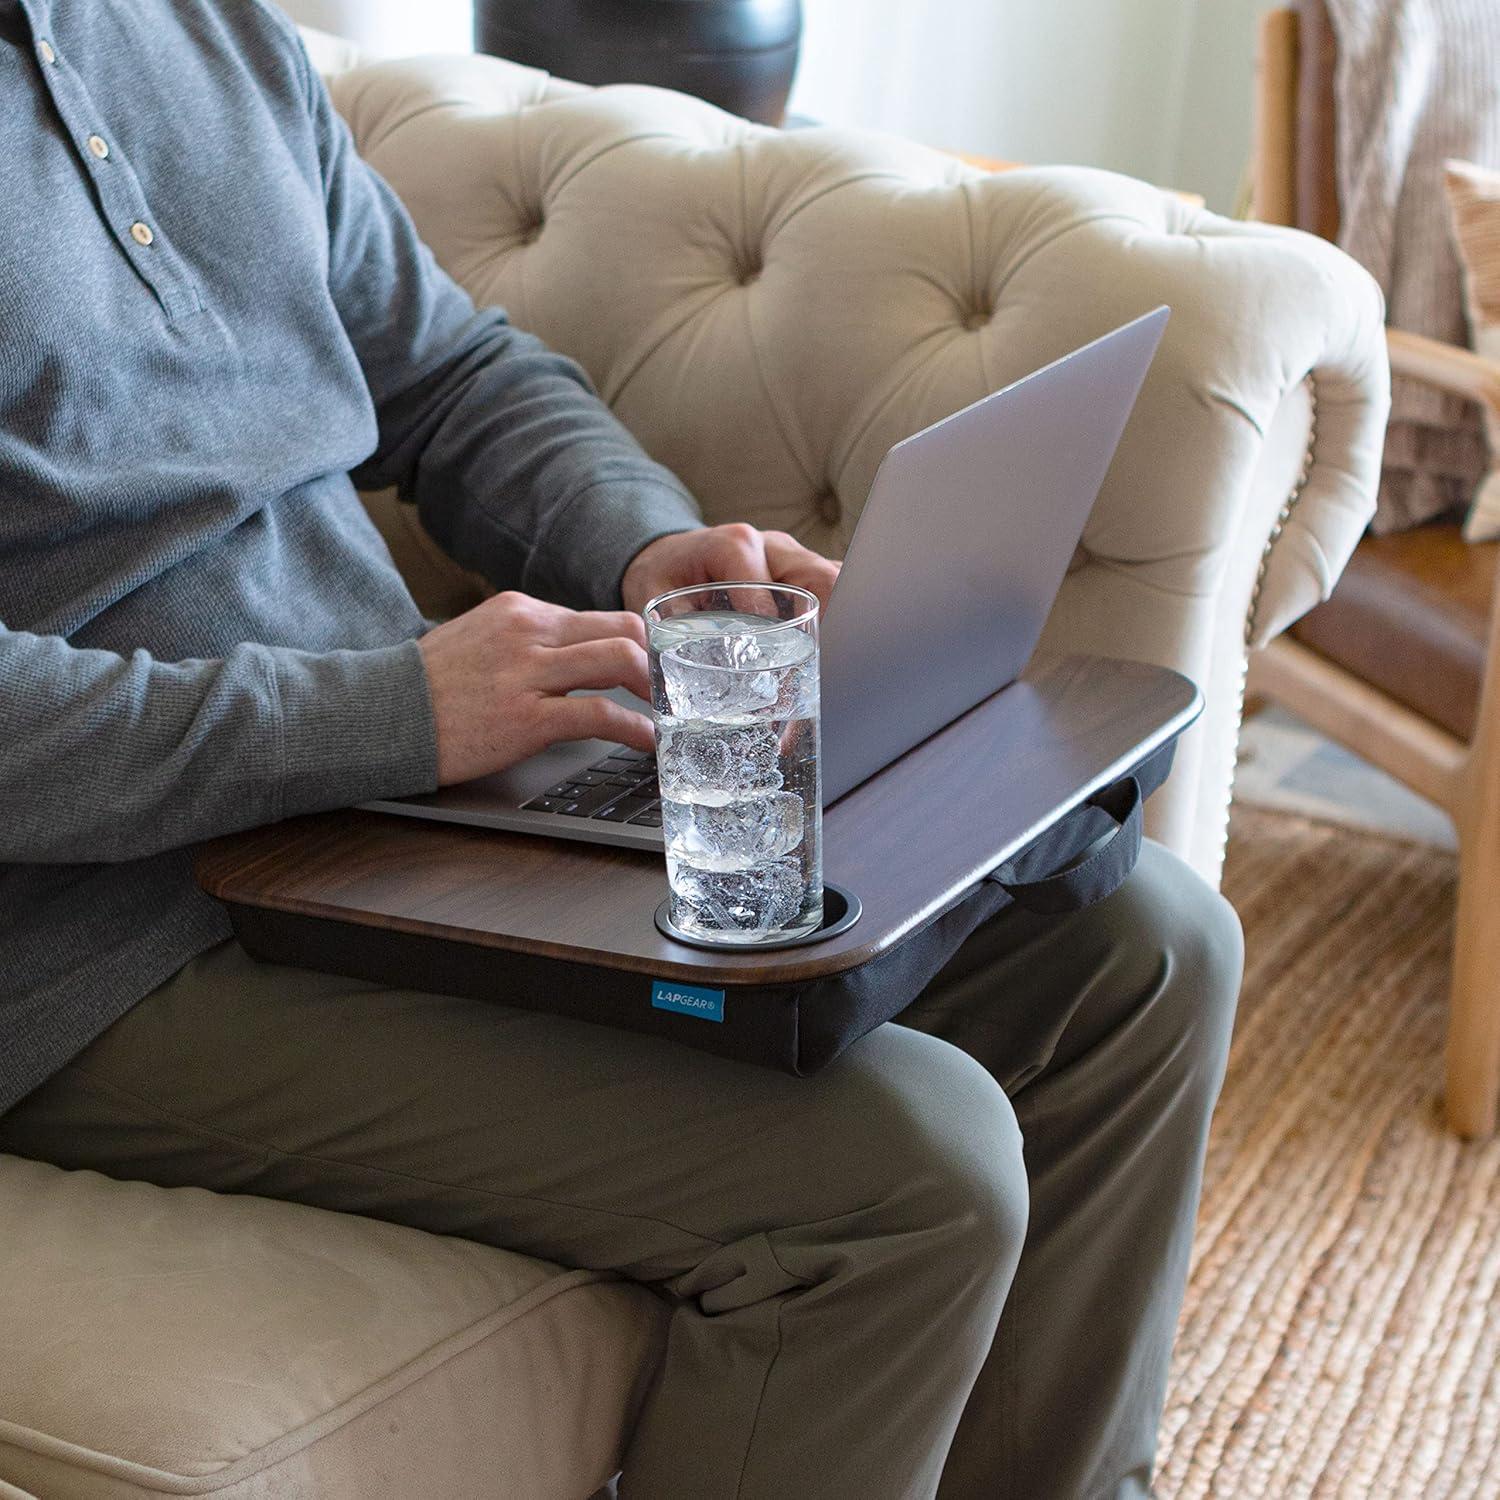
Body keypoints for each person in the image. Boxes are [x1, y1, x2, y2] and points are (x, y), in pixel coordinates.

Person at [0, 0, 1244, 1493]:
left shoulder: (199, 32)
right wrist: (392, 712)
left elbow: (454, 377)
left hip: (395, 815)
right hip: (101, 938)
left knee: (1145, 948)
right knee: (904, 1177)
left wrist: (648, 549)